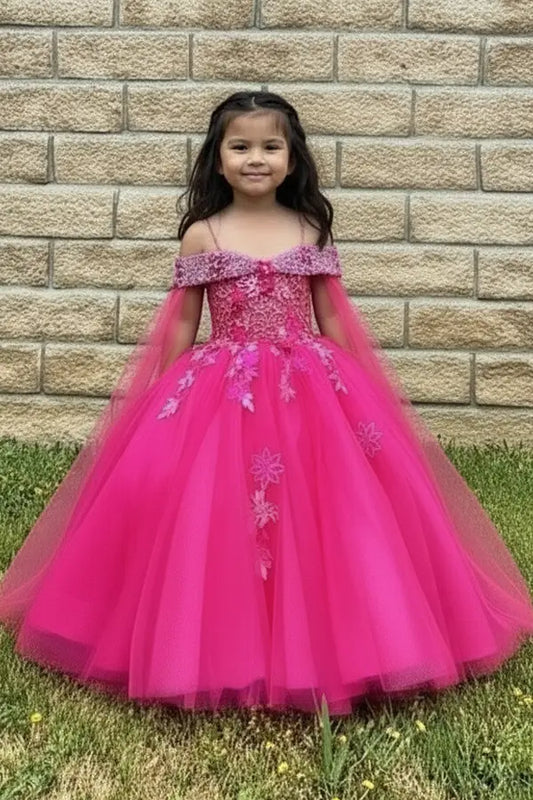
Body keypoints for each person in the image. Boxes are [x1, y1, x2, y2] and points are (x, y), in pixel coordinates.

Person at [0, 90, 532, 717]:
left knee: (333, 512)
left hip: (310, 385)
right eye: (241, 146)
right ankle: (216, 642)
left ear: (292, 157)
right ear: (217, 158)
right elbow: (181, 324)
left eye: (270, 146)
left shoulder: (309, 227)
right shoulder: (202, 234)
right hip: (222, 388)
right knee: (210, 512)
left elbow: (333, 317)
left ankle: (357, 641)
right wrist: (163, 397)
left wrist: (360, 394)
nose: (257, 158)